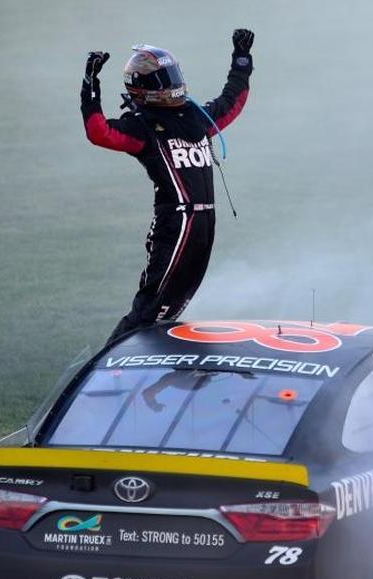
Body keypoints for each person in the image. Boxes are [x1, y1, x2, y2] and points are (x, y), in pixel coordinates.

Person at [80, 29, 255, 343]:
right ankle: (106, 367)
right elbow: (98, 131)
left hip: (203, 224)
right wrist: (90, 84)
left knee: (169, 312)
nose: (171, 84)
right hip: (176, 224)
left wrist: (241, 60)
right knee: (148, 310)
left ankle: (159, 370)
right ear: (145, 88)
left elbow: (233, 101)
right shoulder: (142, 127)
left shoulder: (196, 118)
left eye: (172, 75)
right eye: (164, 78)